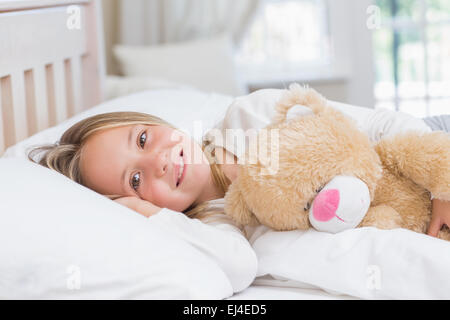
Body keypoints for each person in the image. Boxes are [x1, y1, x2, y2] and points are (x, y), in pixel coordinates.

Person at [28, 88, 450, 239]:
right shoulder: (214, 227)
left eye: (143, 138)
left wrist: (442, 185)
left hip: (423, 148)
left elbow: (380, 125)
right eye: (135, 179)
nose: (157, 161)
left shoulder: (250, 115)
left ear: (156, 122)